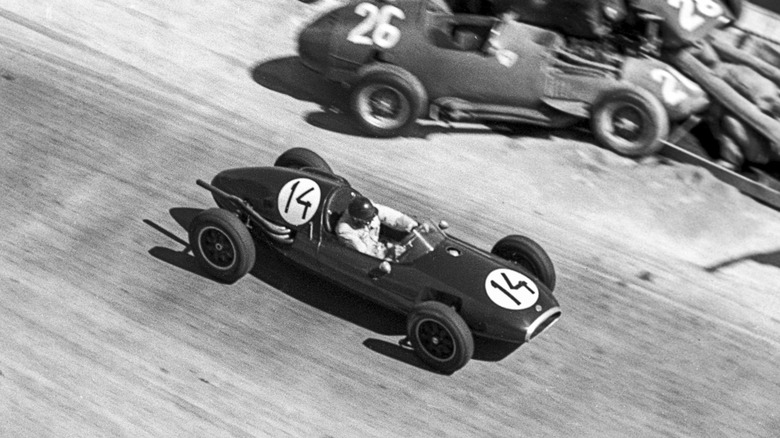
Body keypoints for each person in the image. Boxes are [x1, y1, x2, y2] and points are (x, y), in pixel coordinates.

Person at [335, 196, 418, 260]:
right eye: (368, 220)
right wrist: (389, 253)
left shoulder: (368, 209)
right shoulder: (345, 232)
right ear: (356, 219)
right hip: (375, 256)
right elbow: (365, 254)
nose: (372, 219)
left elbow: (391, 216)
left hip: (382, 245)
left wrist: (412, 226)